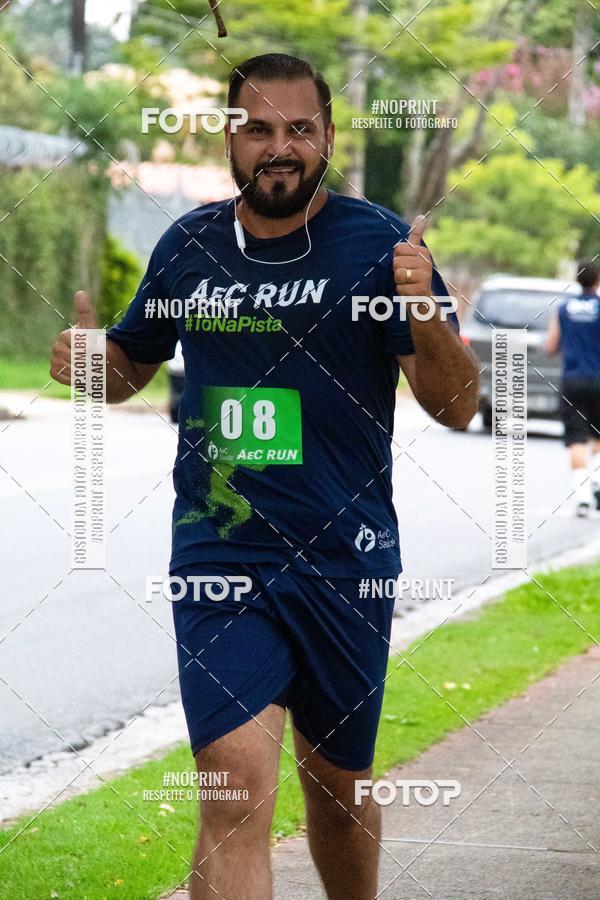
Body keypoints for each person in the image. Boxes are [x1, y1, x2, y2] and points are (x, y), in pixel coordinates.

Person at [51, 53, 478, 900]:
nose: (278, 146)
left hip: (346, 564)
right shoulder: (190, 245)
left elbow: (458, 406)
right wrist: (90, 365)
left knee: (338, 792)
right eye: (257, 128)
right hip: (221, 557)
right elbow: (132, 365)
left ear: (328, 138)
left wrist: (425, 311)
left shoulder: (381, 245)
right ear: (228, 139)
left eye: (299, 129)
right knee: (233, 790)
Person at [547, 260, 600, 517]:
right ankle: (597, 482)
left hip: (572, 380)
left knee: (576, 438)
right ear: (597, 279)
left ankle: (583, 498)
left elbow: (551, 345)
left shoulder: (563, 308)